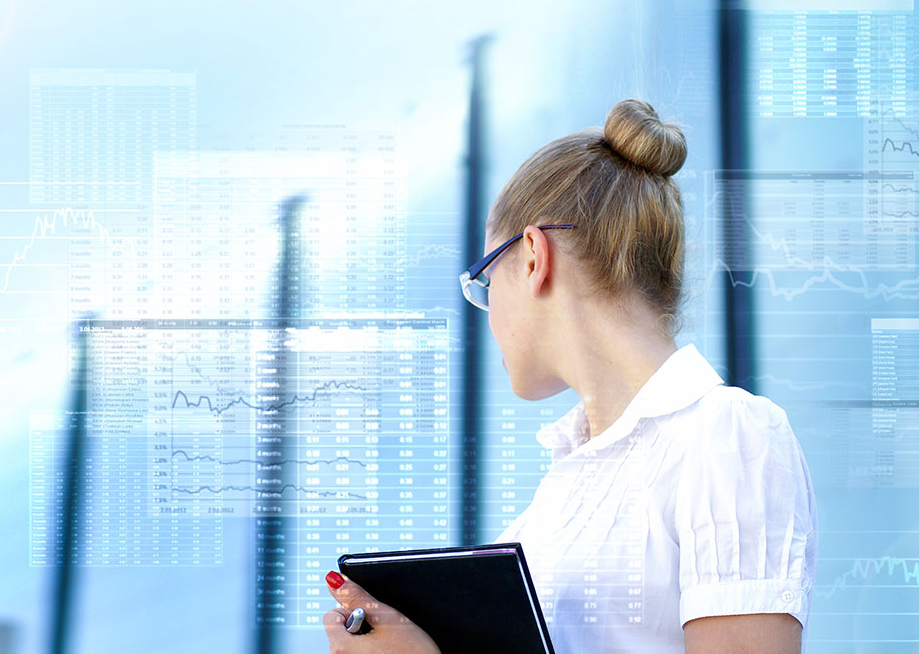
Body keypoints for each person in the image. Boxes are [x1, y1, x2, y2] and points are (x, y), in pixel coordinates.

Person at [322, 98, 818, 653]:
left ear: (533, 256)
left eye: (486, 282)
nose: (489, 318)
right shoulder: (548, 510)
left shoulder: (727, 436)